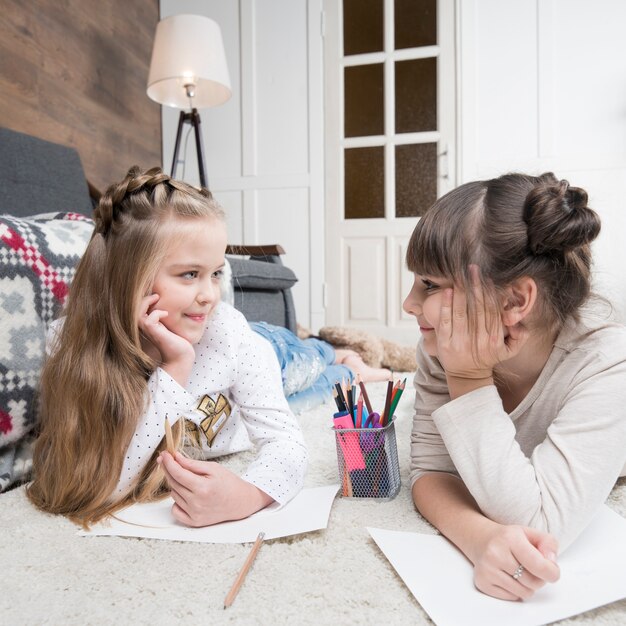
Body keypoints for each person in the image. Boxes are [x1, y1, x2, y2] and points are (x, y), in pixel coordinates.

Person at [27, 166, 308, 529]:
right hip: (232, 364)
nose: (210, 295)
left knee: (317, 367)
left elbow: (286, 441)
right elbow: (105, 485)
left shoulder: (227, 330)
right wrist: (176, 366)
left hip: (276, 354)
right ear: (128, 278)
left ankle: (342, 355)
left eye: (216, 273)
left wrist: (249, 495)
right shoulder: (69, 342)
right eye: (190, 274)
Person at [403, 172, 626, 601]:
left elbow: (540, 523)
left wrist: (468, 380)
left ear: (515, 301)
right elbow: (430, 471)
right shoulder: (440, 347)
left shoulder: (607, 361)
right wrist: (478, 536)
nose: (408, 303)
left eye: (429, 284)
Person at [250, 321, 391, 414]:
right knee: (275, 408)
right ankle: (351, 372)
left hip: (259, 347)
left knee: (296, 365)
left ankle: (332, 353)